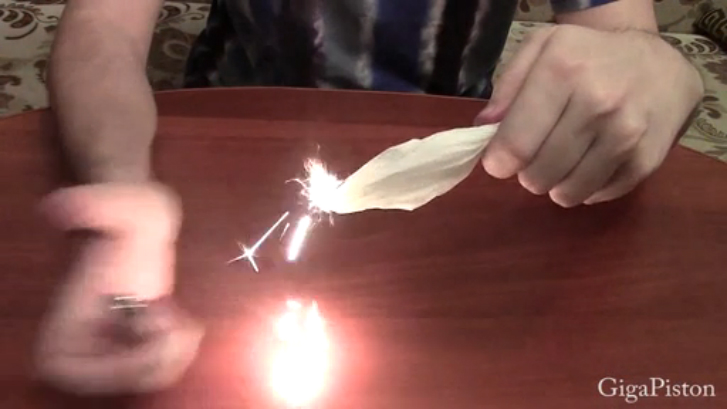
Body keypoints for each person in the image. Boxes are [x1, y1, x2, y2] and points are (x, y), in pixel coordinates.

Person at [36, 0, 703, 395]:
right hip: (222, 160)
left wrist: (650, 69)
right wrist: (123, 183)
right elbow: (102, 26)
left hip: (451, 206)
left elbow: (624, 38)